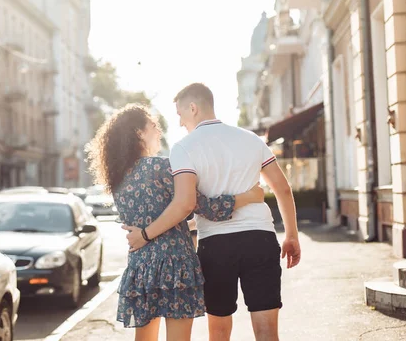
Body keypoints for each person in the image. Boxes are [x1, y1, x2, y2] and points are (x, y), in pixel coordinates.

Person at [125, 83, 301, 341]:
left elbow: (185, 203)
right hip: (260, 238)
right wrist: (291, 235)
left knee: (218, 331)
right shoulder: (251, 139)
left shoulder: (184, 148)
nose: (180, 122)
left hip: (216, 245)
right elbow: (283, 189)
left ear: (193, 108)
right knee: (266, 331)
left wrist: (146, 234)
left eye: (180, 114)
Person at [86, 104, 265, 341]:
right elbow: (204, 207)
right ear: (139, 133)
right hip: (174, 264)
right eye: (154, 127)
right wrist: (249, 196)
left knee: (145, 338)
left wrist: (183, 226)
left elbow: (161, 218)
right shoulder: (161, 167)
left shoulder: (118, 178)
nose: (159, 132)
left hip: (141, 266)